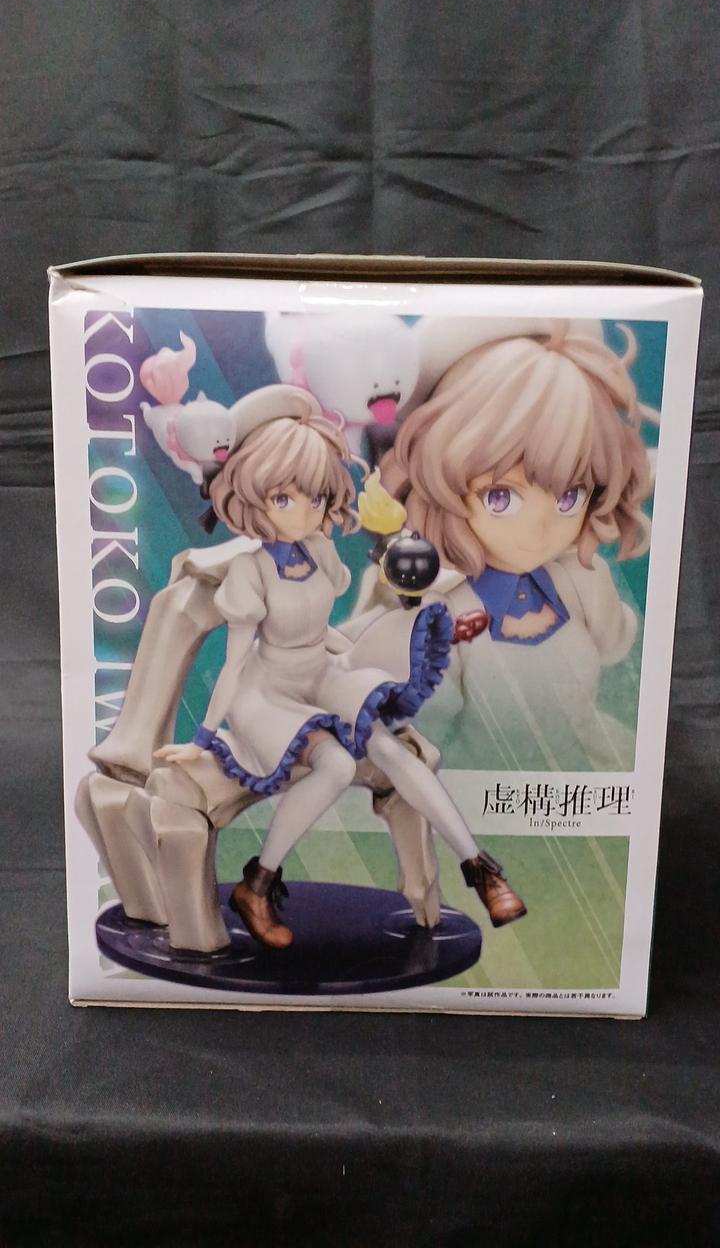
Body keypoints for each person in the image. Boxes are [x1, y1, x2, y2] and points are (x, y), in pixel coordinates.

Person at [154, 384, 526, 947]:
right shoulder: (251, 571)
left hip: (318, 674)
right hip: (267, 691)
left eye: (315, 497)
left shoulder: (320, 553)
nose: (304, 510)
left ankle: (481, 869)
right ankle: (257, 885)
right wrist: (203, 739)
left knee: (389, 750)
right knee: (332, 764)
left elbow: (320, 632)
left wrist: (372, 649)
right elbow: (233, 664)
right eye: (284, 498)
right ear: (251, 496)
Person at [371, 322, 654, 772]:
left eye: (569, 496)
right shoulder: (442, 614)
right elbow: (427, 731)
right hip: (481, 788)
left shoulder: (581, 581)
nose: (541, 527)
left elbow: (614, 646)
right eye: (500, 497)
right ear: (442, 486)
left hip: (586, 772)